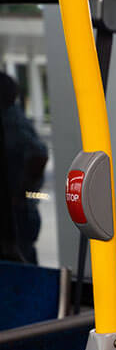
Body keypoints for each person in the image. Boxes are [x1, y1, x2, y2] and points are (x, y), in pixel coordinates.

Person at [0, 72, 47, 264]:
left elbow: (39, 156)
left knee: (22, 268)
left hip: (18, 213)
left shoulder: (10, 121)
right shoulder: (13, 118)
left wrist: (19, 195)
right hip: (19, 211)